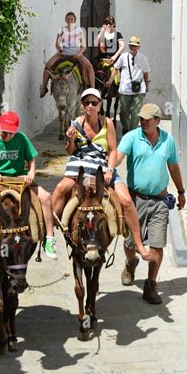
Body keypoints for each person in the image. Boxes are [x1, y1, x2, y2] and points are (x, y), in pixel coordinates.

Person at [52, 88, 152, 261]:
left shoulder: (108, 123)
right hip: (79, 166)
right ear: (82, 105)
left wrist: (110, 170)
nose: (89, 106)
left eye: (94, 103)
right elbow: (71, 151)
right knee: (60, 189)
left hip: (102, 167)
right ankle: (48, 235)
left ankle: (139, 244)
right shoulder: (75, 123)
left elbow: (113, 150)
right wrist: (69, 140)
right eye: (86, 103)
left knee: (126, 201)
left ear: (100, 105)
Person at [115, 103, 187, 304]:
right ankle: (131, 263)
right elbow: (119, 156)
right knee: (130, 242)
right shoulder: (132, 137)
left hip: (159, 201)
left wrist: (181, 192)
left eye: (148, 119)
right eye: (141, 118)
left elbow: (173, 167)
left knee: (157, 243)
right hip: (135, 199)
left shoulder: (167, 141)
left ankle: (151, 285)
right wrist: (108, 166)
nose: (143, 121)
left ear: (158, 121)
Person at [0, 111, 57, 260]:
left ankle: (49, 238)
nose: (7, 136)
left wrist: (31, 175)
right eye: (4, 132)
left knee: (46, 197)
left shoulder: (22, 139)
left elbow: (31, 159)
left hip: (19, 179)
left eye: (11, 133)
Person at [40, 11, 95, 97]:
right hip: (63, 54)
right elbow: (56, 44)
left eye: (71, 19)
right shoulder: (61, 30)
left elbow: (84, 46)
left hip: (76, 54)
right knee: (48, 65)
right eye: (68, 19)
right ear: (65, 20)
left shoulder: (79, 30)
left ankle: (92, 91)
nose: (70, 21)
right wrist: (59, 49)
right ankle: (43, 88)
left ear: (74, 20)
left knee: (90, 67)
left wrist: (79, 54)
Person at [106, 35, 150, 135]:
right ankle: (126, 127)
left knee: (136, 112)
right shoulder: (123, 57)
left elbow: (146, 73)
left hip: (139, 89)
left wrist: (146, 86)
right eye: (131, 45)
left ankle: (132, 133)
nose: (132, 47)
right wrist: (110, 80)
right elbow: (116, 68)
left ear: (138, 47)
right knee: (123, 112)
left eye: (135, 46)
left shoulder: (143, 58)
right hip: (125, 88)